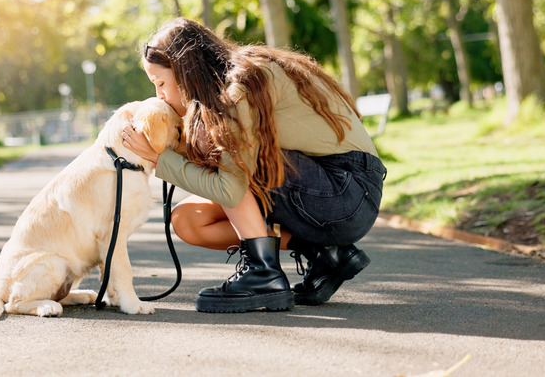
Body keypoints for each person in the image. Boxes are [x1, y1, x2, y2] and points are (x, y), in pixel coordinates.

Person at [121, 17, 386, 313]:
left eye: (160, 83)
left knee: (230, 159)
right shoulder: (230, 85)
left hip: (346, 192)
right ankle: (326, 253)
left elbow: (230, 189)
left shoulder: (239, 88)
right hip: (334, 191)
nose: (159, 95)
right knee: (188, 220)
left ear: (185, 71)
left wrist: (159, 159)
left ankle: (264, 275)